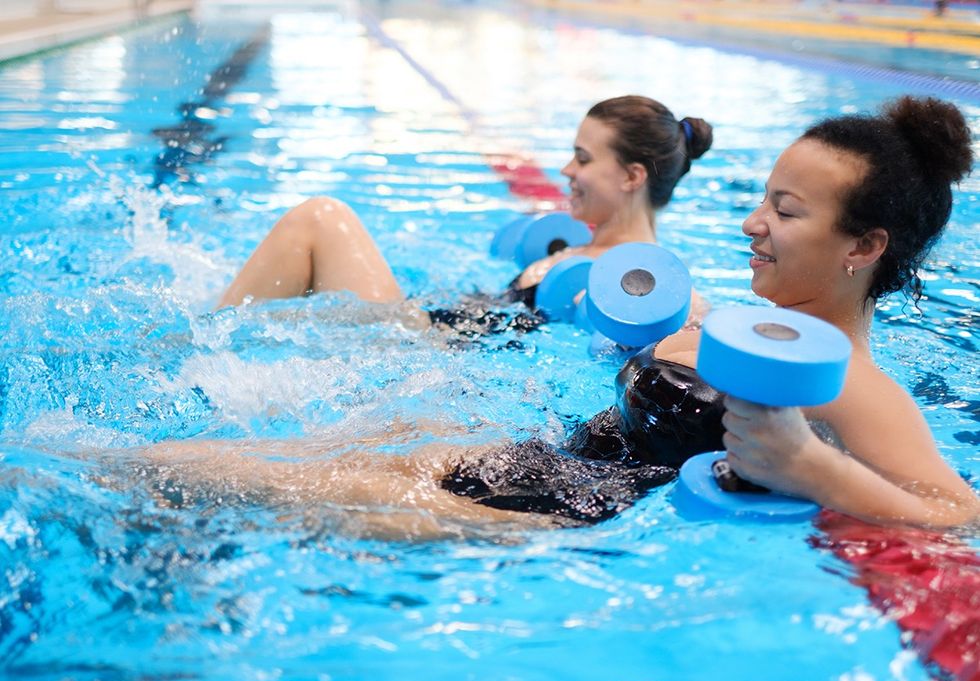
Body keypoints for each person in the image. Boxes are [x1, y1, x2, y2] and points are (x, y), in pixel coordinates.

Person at [138, 95, 977, 539]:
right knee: (172, 468)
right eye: (763, 199)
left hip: (547, 521)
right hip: (526, 461)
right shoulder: (743, 323)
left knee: (158, 477)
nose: (752, 223)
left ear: (862, 246)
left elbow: (959, 517)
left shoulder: (854, 382)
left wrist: (812, 470)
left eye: (785, 212)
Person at [215, 96, 714, 330]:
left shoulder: (644, 287)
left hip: (428, 357)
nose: (565, 170)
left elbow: (691, 319)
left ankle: (193, 346)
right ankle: (208, 338)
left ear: (631, 176)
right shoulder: (587, 251)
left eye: (583, 159)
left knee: (321, 218)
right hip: (433, 338)